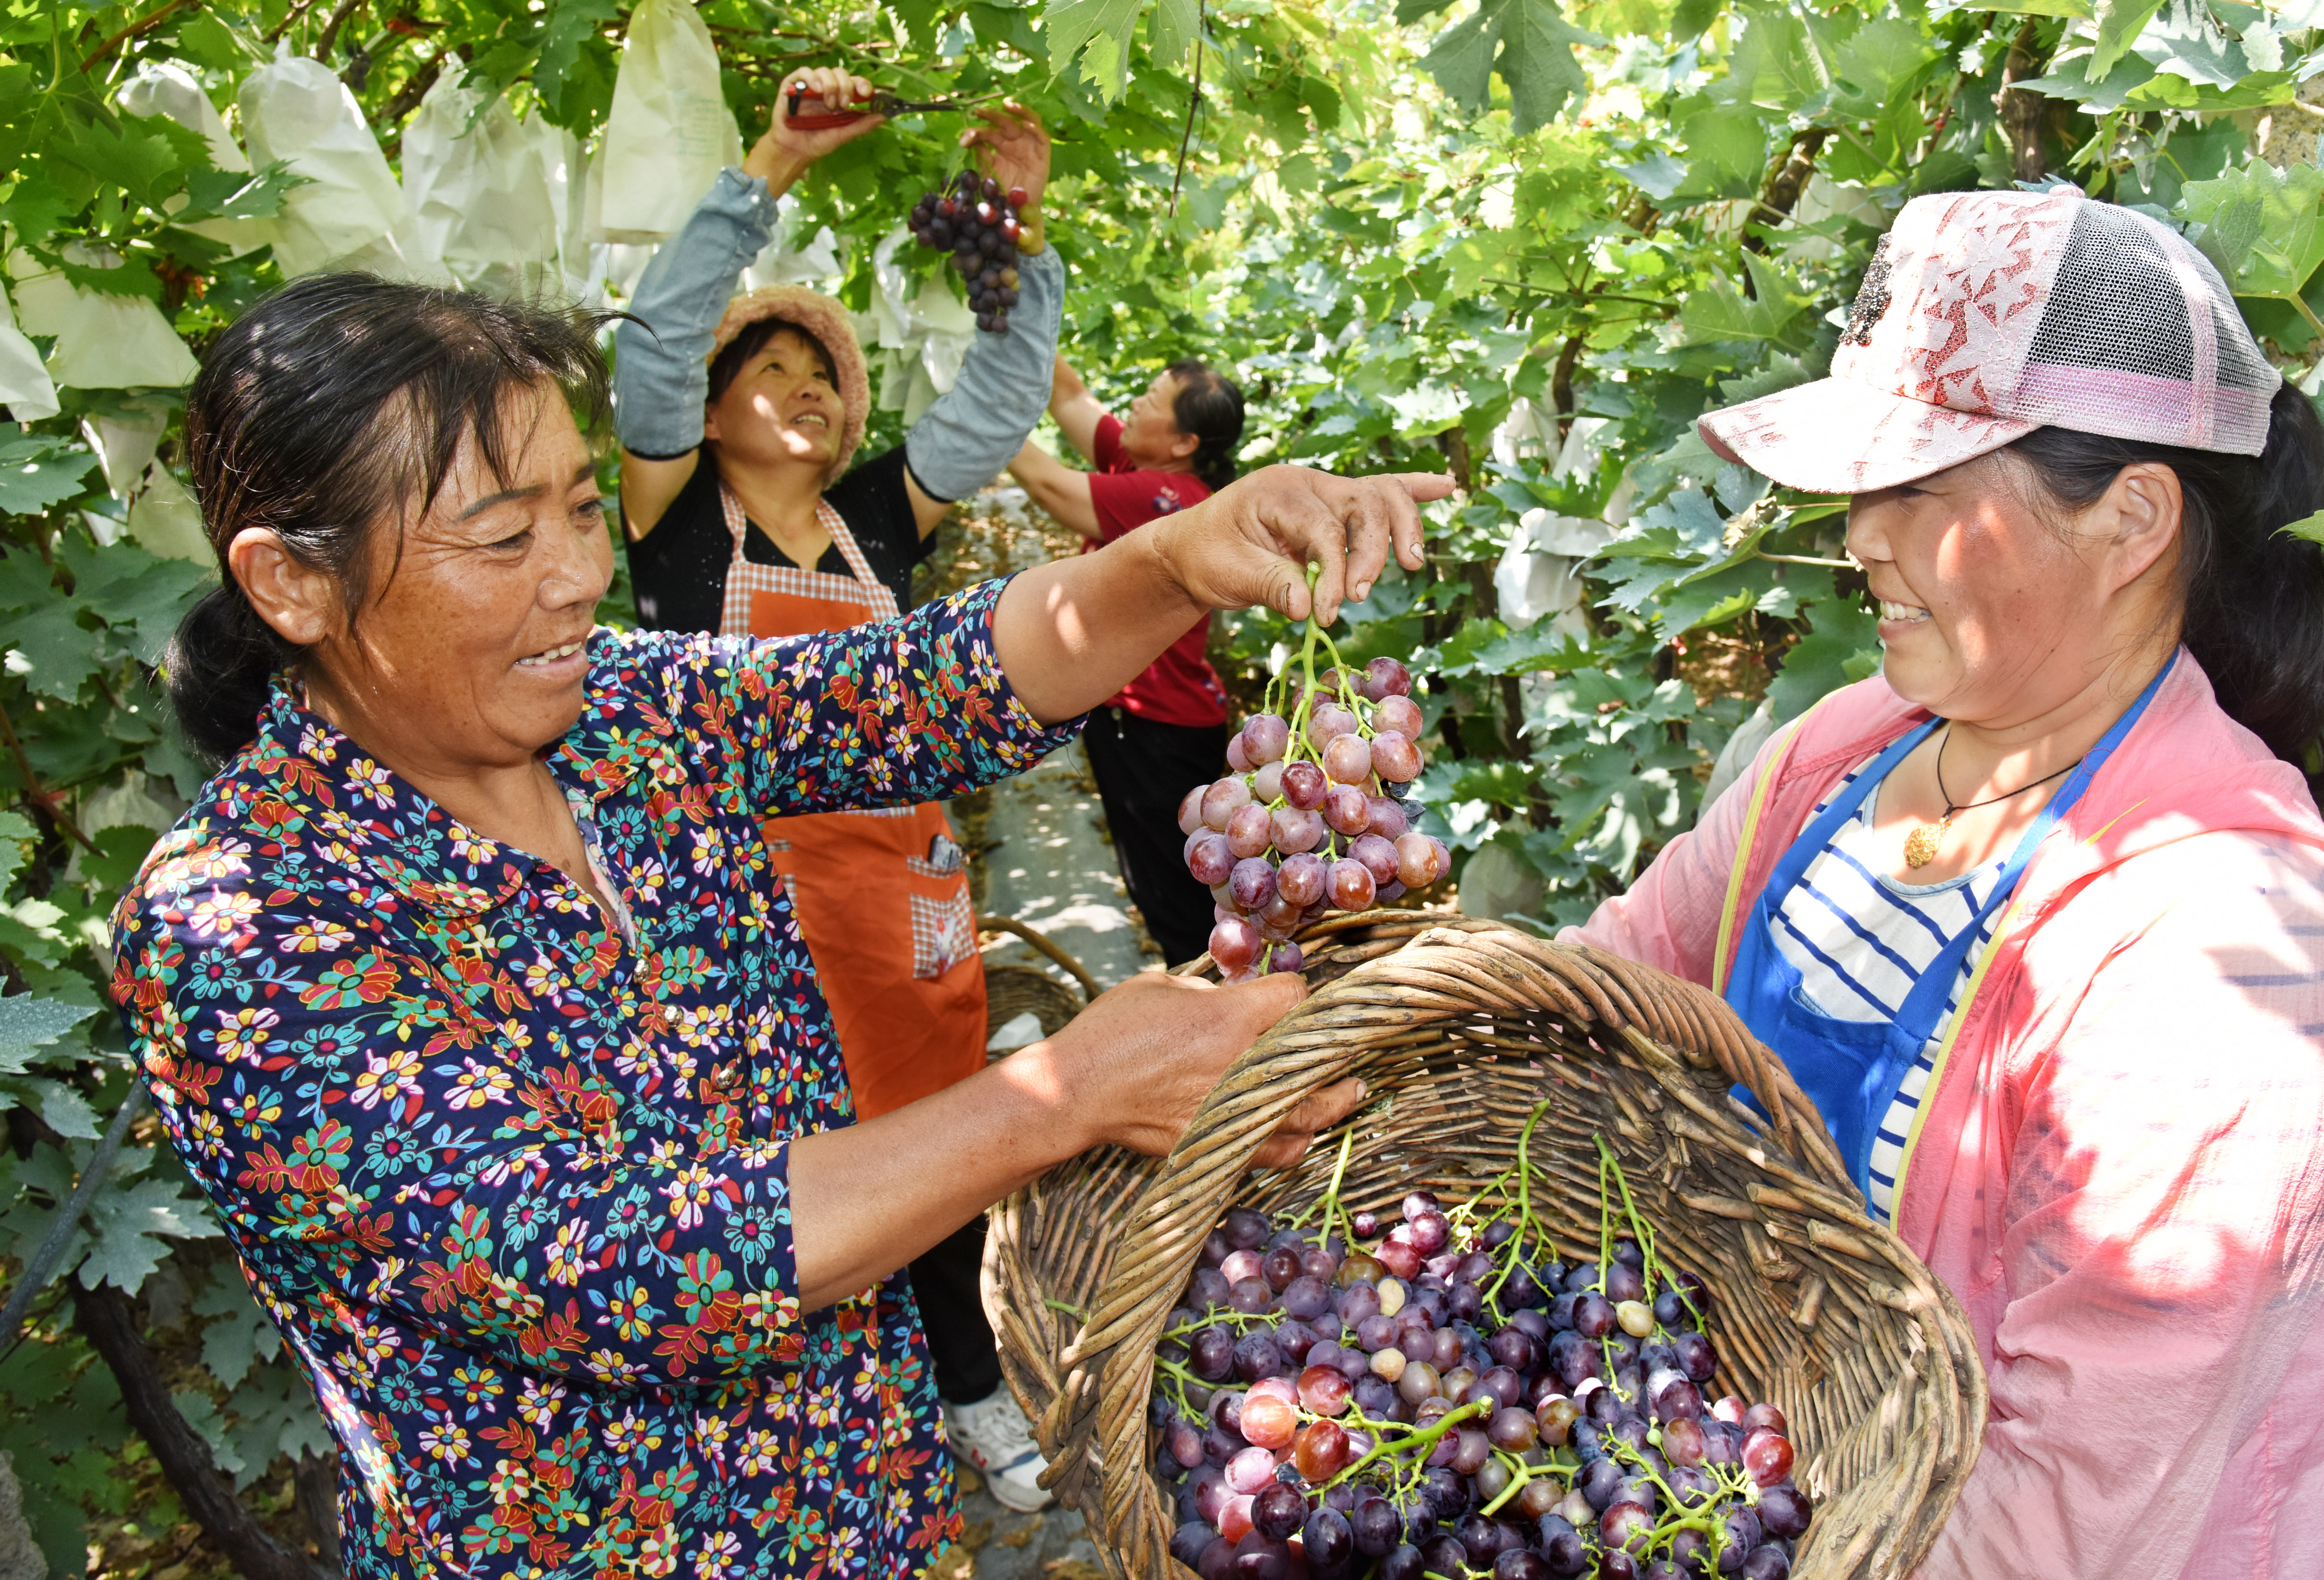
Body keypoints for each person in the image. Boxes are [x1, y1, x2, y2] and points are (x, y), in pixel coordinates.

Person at [114, 271, 1438, 1576]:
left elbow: (919, 682)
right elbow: (595, 1260)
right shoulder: (241, 917)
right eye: (505, 539)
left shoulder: (626, 716)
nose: (579, 577)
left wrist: (1168, 557)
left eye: (583, 511)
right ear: (292, 585)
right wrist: (1066, 1091)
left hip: (869, 1493)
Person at [1564, 188, 2324, 1577]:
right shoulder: (1839, 751)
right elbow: (1610, 981)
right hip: (1770, 1480)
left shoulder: (2216, 949)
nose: (1859, 536)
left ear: (2132, 517)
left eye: (1918, 487)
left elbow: (2069, 1505)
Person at [611, 67, 1065, 1507]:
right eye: (769, 373)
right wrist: (771, 167)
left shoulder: (882, 517)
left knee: (933, 1146)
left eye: (825, 378)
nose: (803, 391)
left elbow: (1001, 391)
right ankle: (822, 1430)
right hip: (747, 911)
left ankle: (972, 1389)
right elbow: (658, 342)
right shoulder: (675, 514)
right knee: (780, 1166)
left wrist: (1019, 233)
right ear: (712, 408)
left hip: (906, 906)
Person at [1008, 355, 1247, 964]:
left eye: (1152, 399)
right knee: (1175, 885)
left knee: (1175, 900)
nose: (1137, 403)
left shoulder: (1168, 498)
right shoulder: (1144, 463)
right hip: (1155, 723)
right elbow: (1069, 395)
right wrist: (1020, 306)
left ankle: (1211, 1024)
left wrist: (978, 408)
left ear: (1184, 443)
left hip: (1156, 733)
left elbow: (1047, 484)